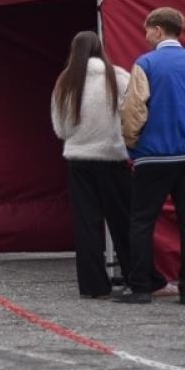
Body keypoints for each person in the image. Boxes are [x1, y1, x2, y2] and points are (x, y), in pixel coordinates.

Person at [120, 7, 185, 306]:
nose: (145, 36)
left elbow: (134, 111)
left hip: (154, 155)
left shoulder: (146, 64)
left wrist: (134, 144)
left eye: (146, 30)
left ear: (156, 29)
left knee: (142, 220)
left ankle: (141, 288)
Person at [49, 31, 135, 299]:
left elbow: (60, 128)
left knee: (86, 224)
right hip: (112, 157)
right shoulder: (118, 77)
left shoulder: (66, 82)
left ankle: (93, 285)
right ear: (100, 49)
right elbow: (133, 115)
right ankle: (136, 277)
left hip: (78, 159)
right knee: (123, 221)